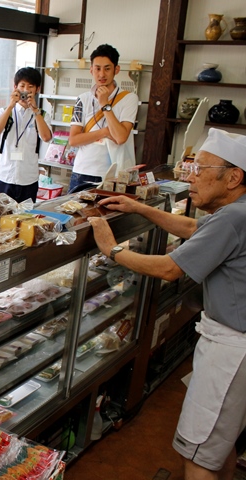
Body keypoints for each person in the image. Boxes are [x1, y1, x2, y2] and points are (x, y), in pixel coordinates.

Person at [87, 128, 246, 480]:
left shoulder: (235, 218)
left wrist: (112, 249)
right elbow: (193, 227)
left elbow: (169, 269)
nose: (191, 176)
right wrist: (138, 206)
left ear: (233, 177)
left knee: (200, 453)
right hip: (235, 346)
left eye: (201, 168)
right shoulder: (238, 211)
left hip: (232, 351)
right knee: (222, 441)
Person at [68, 44, 139, 192]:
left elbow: (120, 137)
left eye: (107, 68)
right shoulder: (83, 99)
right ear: (91, 70)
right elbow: (74, 140)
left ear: (116, 70)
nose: (101, 74)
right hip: (82, 171)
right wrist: (105, 132)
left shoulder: (129, 98)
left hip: (112, 175)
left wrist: (105, 104)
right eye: (97, 68)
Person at [0, 67, 52, 203]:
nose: (26, 90)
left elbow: (46, 137)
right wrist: (10, 106)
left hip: (28, 179)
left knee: (25, 220)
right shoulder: (4, 112)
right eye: (22, 85)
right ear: (15, 87)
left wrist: (35, 111)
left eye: (30, 86)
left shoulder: (42, 115)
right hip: (3, 176)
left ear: (37, 89)